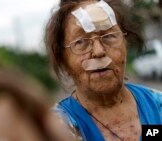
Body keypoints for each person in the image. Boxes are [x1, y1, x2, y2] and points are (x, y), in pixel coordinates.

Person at [45, 0, 162, 141]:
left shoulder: (157, 106)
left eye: (109, 36)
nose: (99, 51)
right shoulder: (56, 129)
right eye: (81, 42)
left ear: (125, 43)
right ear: (64, 61)